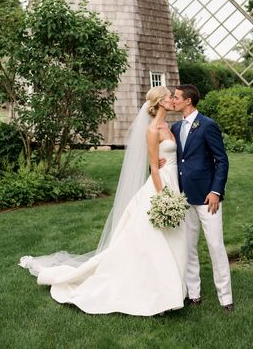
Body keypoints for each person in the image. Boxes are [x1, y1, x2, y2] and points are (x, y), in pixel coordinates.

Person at [19, 86, 188, 316]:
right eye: (169, 96)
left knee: (170, 237)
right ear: (159, 101)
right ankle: (153, 290)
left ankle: (172, 288)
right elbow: (153, 168)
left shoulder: (168, 126)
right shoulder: (152, 130)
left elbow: (165, 159)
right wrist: (164, 197)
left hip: (172, 183)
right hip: (160, 189)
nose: (172, 99)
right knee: (151, 240)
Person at [162, 84, 233, 311]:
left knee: (215, 246)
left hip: (207, 198)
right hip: (183, 197)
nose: (173, 100)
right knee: (189, 247)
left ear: (188, 101)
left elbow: (221, 161)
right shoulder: (174, 127)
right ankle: (194, 294)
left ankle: (226, 298)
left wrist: (215, 191)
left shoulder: (208, 125)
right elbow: (175, 157)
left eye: (176, 97)